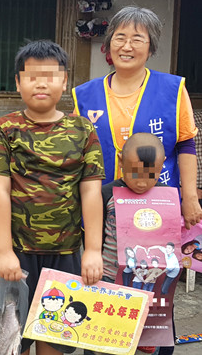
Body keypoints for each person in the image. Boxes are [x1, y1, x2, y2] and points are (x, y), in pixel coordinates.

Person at [0, 40, 105, 355]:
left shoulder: (82, 130)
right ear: (18, 83)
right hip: (17, 255)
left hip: (65, 253)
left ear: (64, 82)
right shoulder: (3, 130)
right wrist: (4, 250)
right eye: (32, 75)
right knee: (13, 341)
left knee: (54, 337)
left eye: (50, 75)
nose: (41, 82)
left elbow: (90, 191)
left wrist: (92, 250)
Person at [72, 6, 202, 230]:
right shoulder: (84, 95)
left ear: (151, 48)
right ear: (109, 44)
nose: (126, 46)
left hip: (158, 205)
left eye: (137, 39)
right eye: (119, 38)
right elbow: (75, 151)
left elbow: (186, 144)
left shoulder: (173, 89)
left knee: (157, 263)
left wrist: (190, 196)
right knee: (105, 263)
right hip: (101, 207)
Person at [87, 132, 173, 355]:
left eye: (151, 173)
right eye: (135, 172)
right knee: (102, 340)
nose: (142, 181)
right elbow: (95, 233)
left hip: (151, 279)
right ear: (120, 161)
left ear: (162, 166)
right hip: (110, 278)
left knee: (156, 338)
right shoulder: (106, 194)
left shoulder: (167, 197)